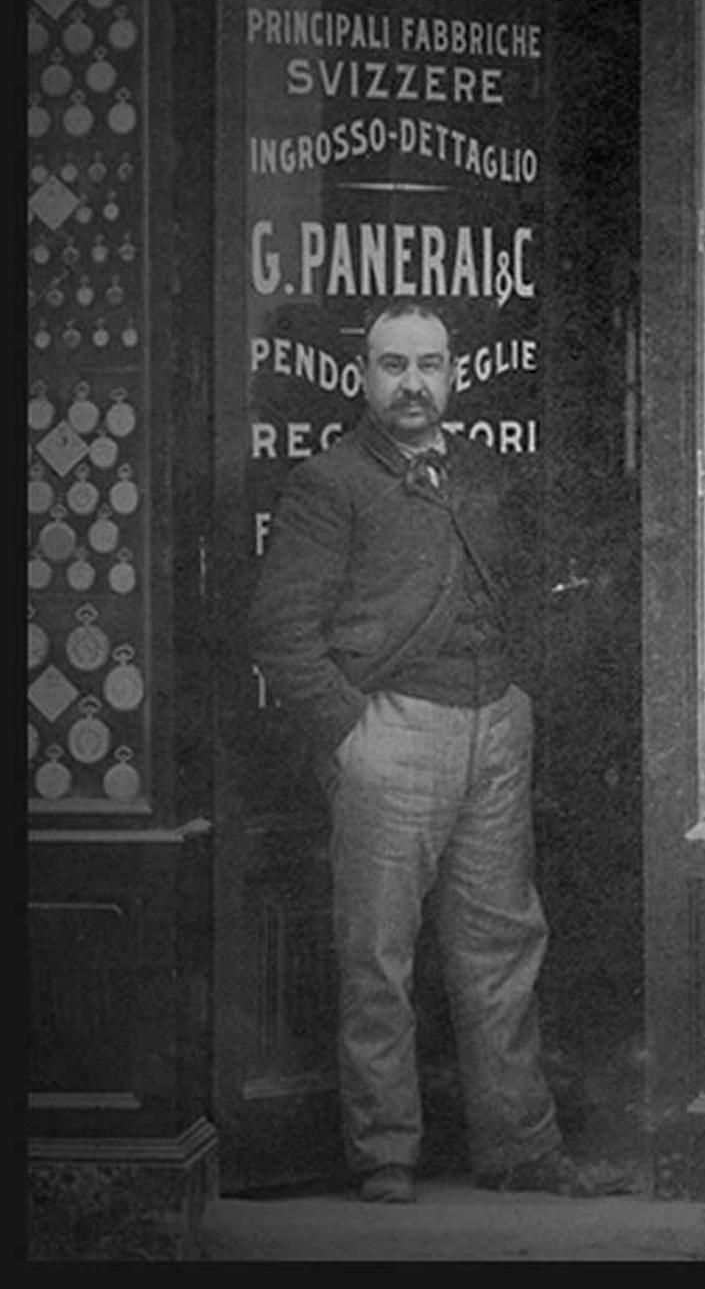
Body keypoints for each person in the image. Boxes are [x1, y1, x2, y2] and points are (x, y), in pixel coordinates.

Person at [247, 296, 630, 1204]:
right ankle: (385, 1153)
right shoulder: (329, 482)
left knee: (502, 945)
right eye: (393, 366)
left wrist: (520, 695)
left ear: (453, 375)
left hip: (496, 725)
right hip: (394, 735)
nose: (413, 384)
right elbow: (279, 631)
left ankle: (520, 1147)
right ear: (364, 377)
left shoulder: (483, 472)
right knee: (378, 954)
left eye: (430, 365)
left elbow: (537, 590)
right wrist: (352, 735)